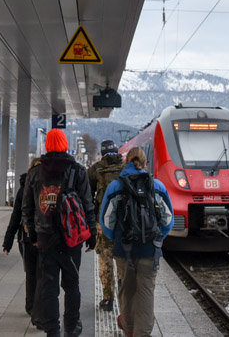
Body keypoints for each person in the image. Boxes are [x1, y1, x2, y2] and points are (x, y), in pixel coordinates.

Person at [22, 129, 97, 337]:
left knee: (48, 287)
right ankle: (71, 327)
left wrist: (33, 236)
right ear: (65, 145)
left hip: (45, 240)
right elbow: (87, 206)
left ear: (47, 145)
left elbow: (26, 208)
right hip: (72, 239)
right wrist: (91, 235)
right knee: (72, 285)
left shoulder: (35, 173)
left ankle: (52, 330)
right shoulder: (77, 171)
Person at [99, 147, 173, 337]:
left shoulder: (115, 186)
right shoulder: (157, 185)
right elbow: (168, 219)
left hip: (124, 250)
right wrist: (158, 239)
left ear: (126, 161)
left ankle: (129, 330)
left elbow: (106, 221)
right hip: (150, 250)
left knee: (126, 291)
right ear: (145, 163)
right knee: (146, 293)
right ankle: (143, 333)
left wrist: (115, 238)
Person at [88, 139, 125, 310]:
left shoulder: (96, 169)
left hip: (103, 222)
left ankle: (107, 300)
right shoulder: (125, 168)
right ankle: (124, 298)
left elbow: (87, 196)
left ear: (102, 153)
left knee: (105, 260)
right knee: (123, 260)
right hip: (124, 223)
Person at [2, 157, 42, 318]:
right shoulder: (48, 187)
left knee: (31, 273)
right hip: (43, 236)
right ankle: (37, 305)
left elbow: (16, 216)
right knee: (42, 273)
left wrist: (8, 242)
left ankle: (31, 305)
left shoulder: (23, 188)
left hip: (25, 237)